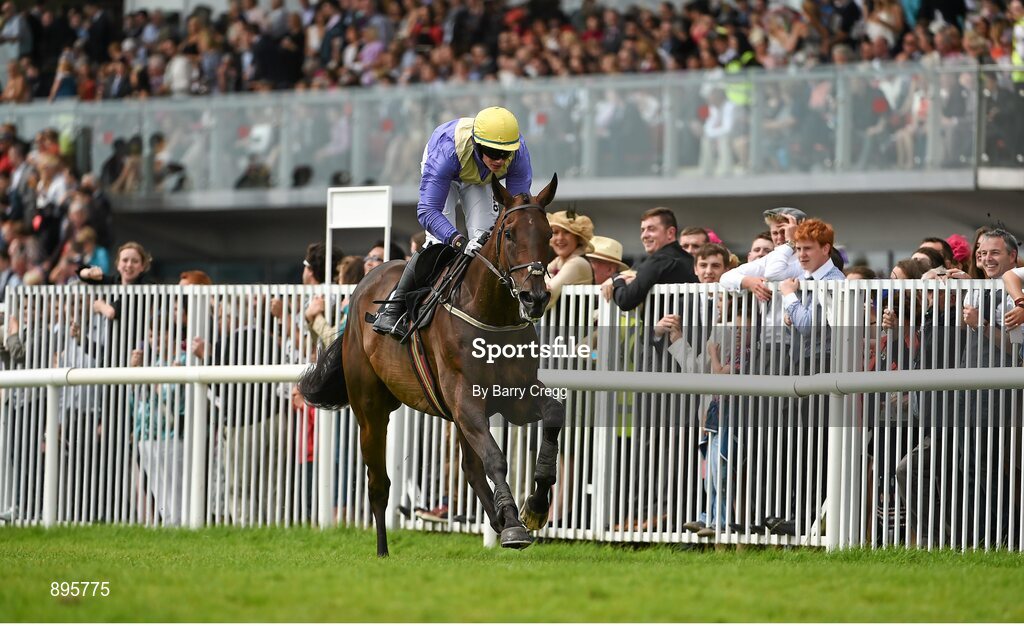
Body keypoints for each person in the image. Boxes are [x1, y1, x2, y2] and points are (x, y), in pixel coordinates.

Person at [372, 106, 532, 337]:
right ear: (477, 144)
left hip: (481, 178)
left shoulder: (518, 155)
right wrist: (458, 241)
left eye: (504, 153)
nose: (499, 159)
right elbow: (428, 211)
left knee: (486, 238)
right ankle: (393, 308)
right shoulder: (445, 151)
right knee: (438, 241)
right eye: (491, 151)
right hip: (447, 169)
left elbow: (517, 209)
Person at [600, 207, 697, 311]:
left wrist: (617, 279)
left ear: (670, 233)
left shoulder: (659, 260)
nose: (644, 235)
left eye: (651, 229)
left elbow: (625, 300)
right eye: (642, 230)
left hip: (660, 326)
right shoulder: (689, 259)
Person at [546, 210, 595, 307]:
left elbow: (546, 295)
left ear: (578, 238)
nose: (560, 238)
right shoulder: (558, 261)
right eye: (555, 232)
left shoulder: (578, 262)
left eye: (567, 232)